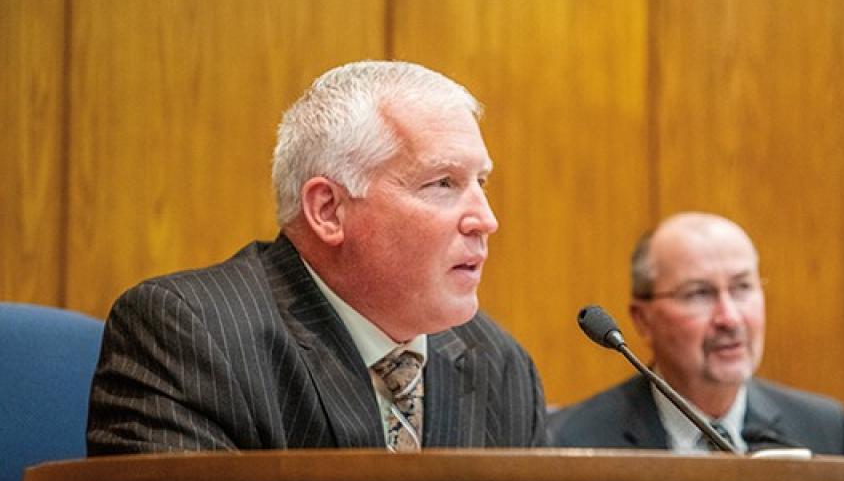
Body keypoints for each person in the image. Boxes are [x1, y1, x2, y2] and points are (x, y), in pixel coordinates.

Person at [88, 61, 546, 455]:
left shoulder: (500, 366)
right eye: (442, 183)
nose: (485, 220)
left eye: (480, 183)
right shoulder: (191, 335)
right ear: (328, 210)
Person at [550, 212, 844, 454]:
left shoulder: (824, 430)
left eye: (742, 288)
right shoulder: (573, 440)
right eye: (699, 294)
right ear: (643, 320)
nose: (729, 318)